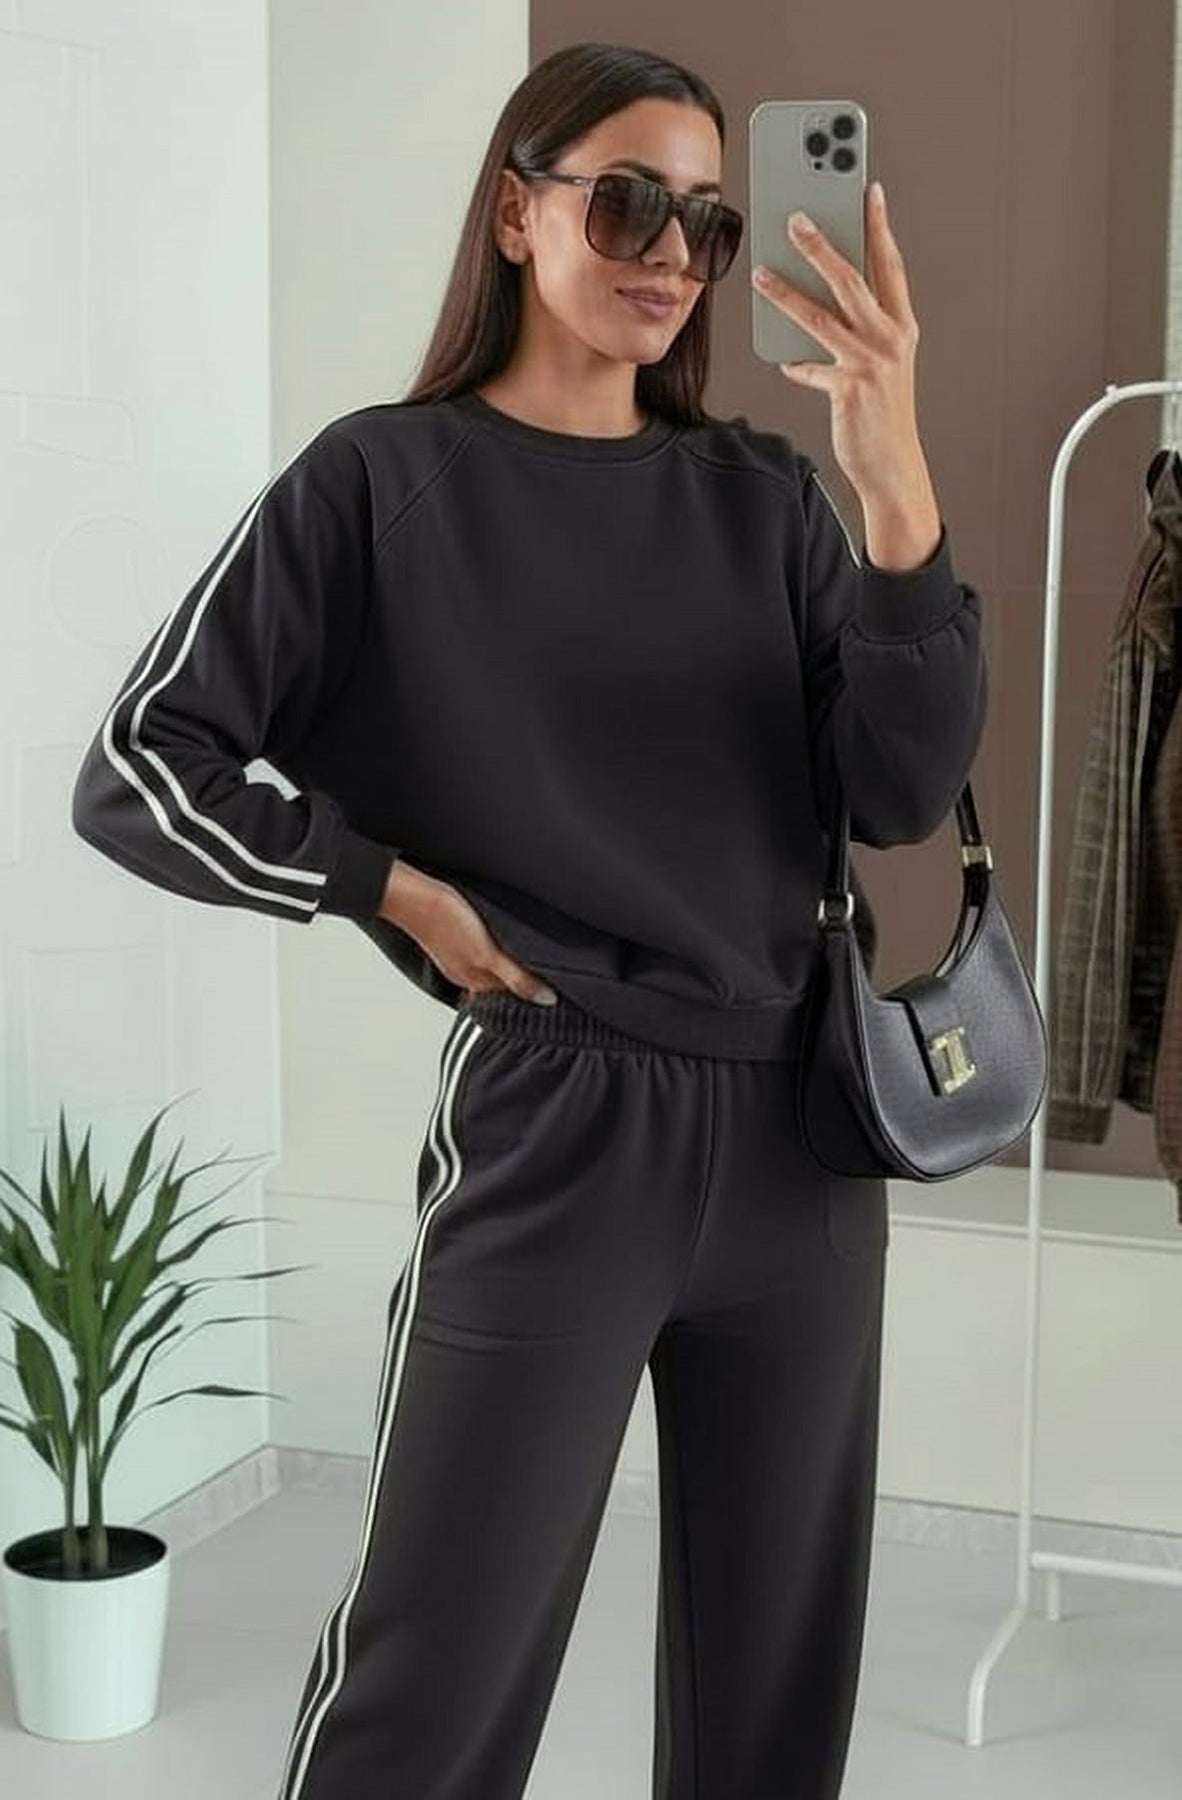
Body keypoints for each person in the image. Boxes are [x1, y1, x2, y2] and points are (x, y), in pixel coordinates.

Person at [71, 39, 987, 1800]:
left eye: (706, 221)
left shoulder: (770, 500)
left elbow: (894, 795)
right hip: (562, 1128)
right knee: (431, 1680)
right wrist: (382, 883)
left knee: (775, 1694)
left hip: (805, 1141)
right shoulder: (378, 483)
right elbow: (138, 768)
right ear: (515, 210)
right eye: (626, 202)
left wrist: (893, 486)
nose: (670, 252)